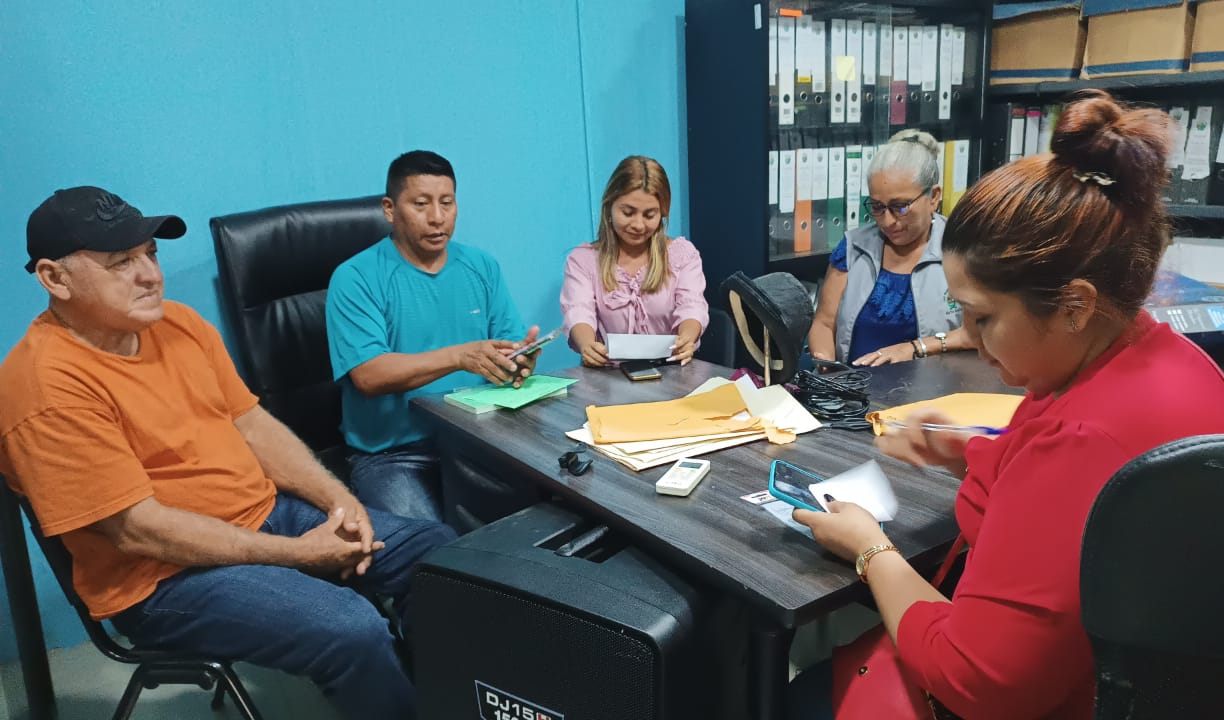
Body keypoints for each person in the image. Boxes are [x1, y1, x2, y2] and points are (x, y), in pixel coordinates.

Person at [789, 91, 1224, 719]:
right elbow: (1059, 496)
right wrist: (969, 454)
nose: (971, 341)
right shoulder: (1165, 357)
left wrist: (871, 549)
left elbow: (975, 681)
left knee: (796, 696)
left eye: (982, 318)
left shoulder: (1084, 437)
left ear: (1075, 306)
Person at [0, 186, 457, 720]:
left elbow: (253, 425)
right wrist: (298, 555)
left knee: (441, 557)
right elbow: (137, 530)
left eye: (150, 253)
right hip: (163, 578)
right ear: (55, 278)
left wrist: (339, 500)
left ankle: (433, 698)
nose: (150, 275)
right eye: (121, 262)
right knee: (351, 627)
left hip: (266, 514)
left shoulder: (179, 324)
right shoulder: (44, 388)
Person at [327, 150, 541, 525]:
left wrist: (518, 360)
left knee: (546, 517)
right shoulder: (355, 277)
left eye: (447, 202)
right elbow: (369, 375)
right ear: (390, 209)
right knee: (431, 547)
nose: (437, 217)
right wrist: (459, 357)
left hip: (479, 437)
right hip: (394, 455)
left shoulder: (481, 265)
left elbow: (507, 345)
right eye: (421, 204)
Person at [807, 129, 973, 367]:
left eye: (900, 207)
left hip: (937, 386)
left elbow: (979, 333)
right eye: (877, 207)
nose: (887, 221)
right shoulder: (854, 247)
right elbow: (824, 323)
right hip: (857, 386)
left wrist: (916, 348)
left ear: (934, 197)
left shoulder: (964, 249)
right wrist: (826, 364)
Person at [560, 155, 709, 367]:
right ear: (609, 206)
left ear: (662, 213)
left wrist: (687, 339)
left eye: (649, 215)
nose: (638, 225)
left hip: (671, 370)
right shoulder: (583, 260)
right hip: (607, 375)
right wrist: (587, 346)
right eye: (628, 213)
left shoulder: (683, 255)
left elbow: (692, 306)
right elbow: (578, 311)